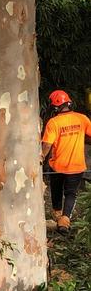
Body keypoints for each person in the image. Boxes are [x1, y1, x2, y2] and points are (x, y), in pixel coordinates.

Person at [41, 90, 91, 233]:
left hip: (57, 166)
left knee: (56, 190)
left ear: (54, 107)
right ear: (69, 103)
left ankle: (57, 214)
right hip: (77, 166)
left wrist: (41, 157)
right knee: (71, 193)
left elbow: (47, 145)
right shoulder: (82, 118)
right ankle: (65, 220)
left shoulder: (53, 122)